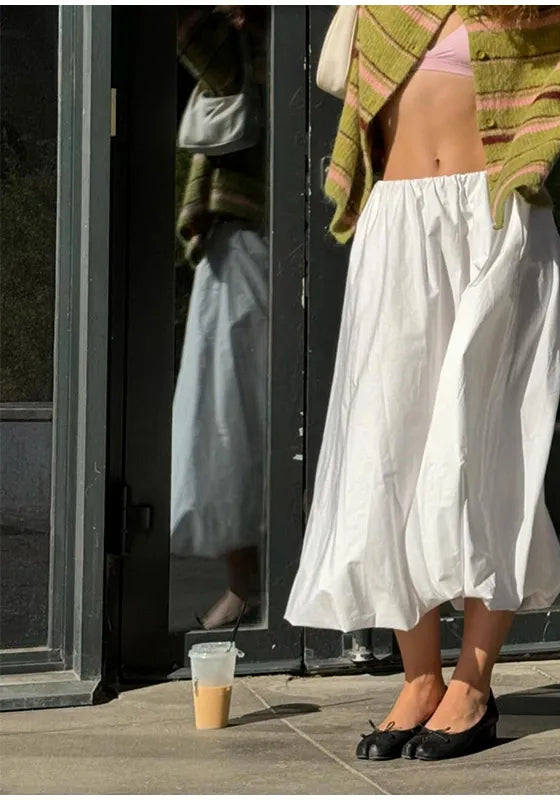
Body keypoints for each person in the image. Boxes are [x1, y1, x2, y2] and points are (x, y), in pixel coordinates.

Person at [285, 4, 560, 761]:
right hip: (396, 225)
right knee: (386, 454)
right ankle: (419, 678)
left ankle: (473, 682)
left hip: (494, 220)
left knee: (484, 450)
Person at [170, 6, 268, 630]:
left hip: (319, 235)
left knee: (288, 419)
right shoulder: (234, 48)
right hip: (242, 243)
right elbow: (188, 31)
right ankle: (246, 585)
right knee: (226, 418)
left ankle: (267, 588)